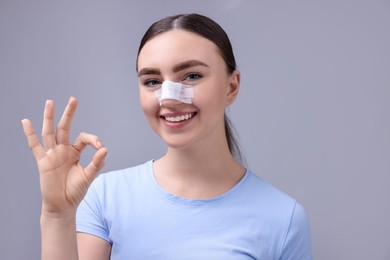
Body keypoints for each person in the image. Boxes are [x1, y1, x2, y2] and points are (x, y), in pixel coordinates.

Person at [21, 13, 312, 260]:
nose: (168, 98)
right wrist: (57, 215)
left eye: (192, 76)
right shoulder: (105, 197)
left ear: (231, 87)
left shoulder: (282, 218)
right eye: (152, 81)